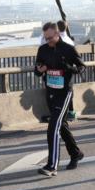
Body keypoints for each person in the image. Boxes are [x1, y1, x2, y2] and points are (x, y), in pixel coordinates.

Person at [34, 22, 85, 176]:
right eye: (45, 37)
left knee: (53, 128)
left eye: (50, 37)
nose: (47, 40)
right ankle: (76, 153)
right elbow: (37, 70)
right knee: (61, 125)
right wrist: (39, 69)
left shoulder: (68, 49)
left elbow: (82, 67)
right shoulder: (42, 49)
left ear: (57, 34)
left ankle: (51, 166)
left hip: (64, 92)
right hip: (50, 91)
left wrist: (70, 68)